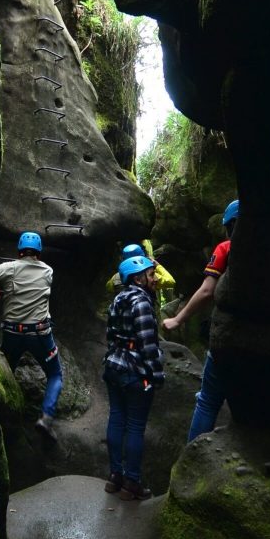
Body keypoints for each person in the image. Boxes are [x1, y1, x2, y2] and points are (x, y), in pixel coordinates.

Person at [0, 232, 63, 440]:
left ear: (19, 251)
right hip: (40, 334)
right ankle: (46, 418)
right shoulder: (48, 271)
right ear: (38, 252)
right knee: (55, 374)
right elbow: (30, 291)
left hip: (13, 333)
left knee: (6, 372)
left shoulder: (7, 268)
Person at [162, 199, 239, 441]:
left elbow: (207, 291)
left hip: (228, 337)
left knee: (207, 401)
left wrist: (177, 320)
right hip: (267, 339)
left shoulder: (226, 248)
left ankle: (192, 453)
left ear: (229, 226)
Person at [102, 255, 165, 500]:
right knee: (136, 426)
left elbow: (110, 335)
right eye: (151, 274)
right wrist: (156, 375)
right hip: (134, 371)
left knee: (117, 419)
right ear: (138, 279)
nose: (155, 278)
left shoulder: (118, 299)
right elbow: (148, 345)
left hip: (113, 366)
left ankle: (115, 476)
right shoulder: (142, 303)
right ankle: (132, 483)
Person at [105, 240, 176, 298]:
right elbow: (171, 281)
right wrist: (158, 265)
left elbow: (108, 288)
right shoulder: (150, 277)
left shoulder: (115, 278)